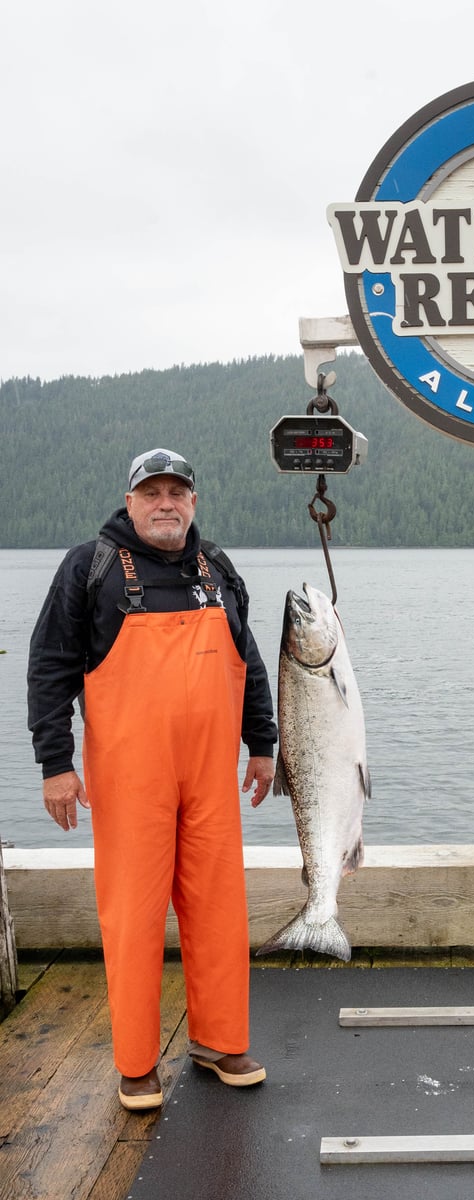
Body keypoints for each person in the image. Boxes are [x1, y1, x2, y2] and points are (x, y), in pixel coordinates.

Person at [27, 448, 277, 1110]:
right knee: (134, 916)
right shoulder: (91, 567)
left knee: (220, 909)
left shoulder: (216, 568)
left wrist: (263, 741)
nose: (166, 502)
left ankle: (219, 1041)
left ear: (193, 501)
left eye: (178, 491)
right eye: (152, 492)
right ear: (130, 500)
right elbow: (50, 665)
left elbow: (247, 657)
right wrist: (55, 765)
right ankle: (137, 1063)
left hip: (211, 777)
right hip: (130, 779)